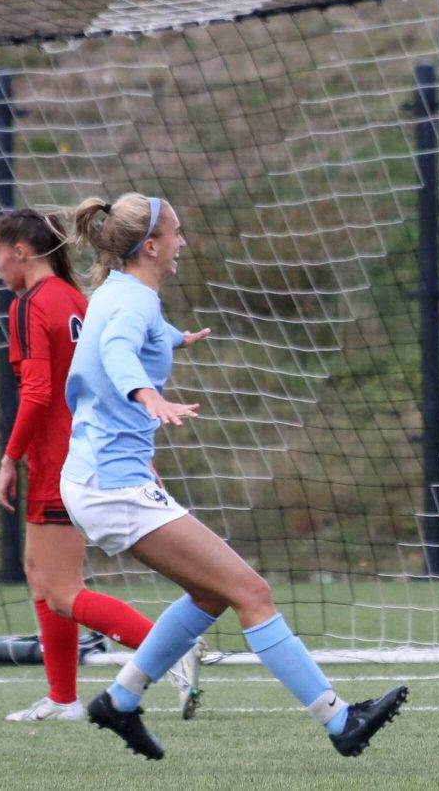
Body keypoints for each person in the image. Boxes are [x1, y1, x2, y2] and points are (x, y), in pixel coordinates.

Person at [60, 192, 406, 761]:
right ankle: (341, 721)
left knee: (210, 594)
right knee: (251, 592)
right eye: (177, 233)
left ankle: (119, 702)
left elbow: (132, 331)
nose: (183, 242)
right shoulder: (132, 306)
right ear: (150, 246)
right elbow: (118, 348)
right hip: (112, 486)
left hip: (99, 479)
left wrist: (175, 340)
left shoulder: (121, 292)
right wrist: (147, 393)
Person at [0, 208, 203, 723]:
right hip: (95, 448)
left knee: (59, 589)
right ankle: (62, 698)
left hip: (64, 461)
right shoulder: (74, 297)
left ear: (21, 251)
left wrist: (10, 457)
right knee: (42, 578)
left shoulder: (31, 304)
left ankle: (163, 647)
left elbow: (37, 392)